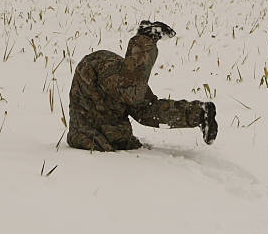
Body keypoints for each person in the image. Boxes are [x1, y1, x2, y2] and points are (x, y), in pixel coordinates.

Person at [67, 21, 218, 152]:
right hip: (99, 142)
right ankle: (144, 38)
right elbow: (139, 103)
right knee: (134, 95)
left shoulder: (114, 75)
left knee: (137, 97)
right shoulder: (102, 72)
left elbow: (148, 109)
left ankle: (144, 38)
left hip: (110, 142)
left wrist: (198, 114)